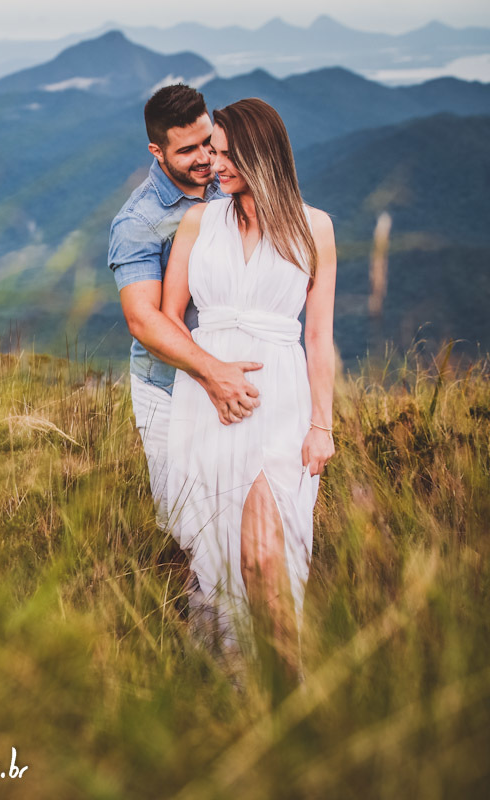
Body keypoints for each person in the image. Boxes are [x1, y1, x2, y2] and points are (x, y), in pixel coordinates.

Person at [160, 97, 336, 694]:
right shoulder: (198, 222)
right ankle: (239, 688)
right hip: (207, 400)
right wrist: (210, 375)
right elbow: (170, 320)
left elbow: (319, 336)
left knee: (265, 556)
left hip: (279, 401)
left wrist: (322, 425)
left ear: (264, 154)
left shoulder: (315, 227)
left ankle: (288, 690)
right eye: (213, 151)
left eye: (228, 154)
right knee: (219, 553)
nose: (215, 164)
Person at [107, 84, 266, 654]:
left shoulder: (230, 180)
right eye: (188, 150)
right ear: (157, 152)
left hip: (234, 383)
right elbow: (144, 320)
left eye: (209, 142)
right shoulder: (139, 221)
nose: (206, 159)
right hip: (169, 390)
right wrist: (211, 371)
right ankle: (205, 653)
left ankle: (238, 645)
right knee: (189, 524)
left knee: (241, 513)